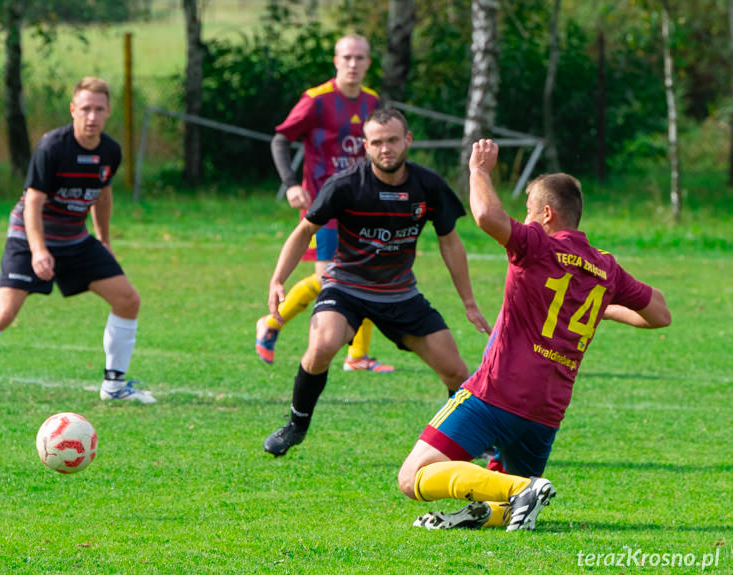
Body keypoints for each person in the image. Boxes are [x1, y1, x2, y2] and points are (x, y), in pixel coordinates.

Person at [398, 139, 671, 531]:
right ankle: (495, 504)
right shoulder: (605, 269)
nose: (524, 222)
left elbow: (487, 215)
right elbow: (660, 313)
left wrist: (478, 170)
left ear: (546, 214)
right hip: (545, 414)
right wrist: (600, 307)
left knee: (412, 478)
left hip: (496, 394)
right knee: (503, 497)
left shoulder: (538, 245)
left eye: (528, 213)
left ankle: (521, 489)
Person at [262, 108, 491, 457]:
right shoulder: (345, 185)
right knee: (323, 345)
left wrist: (469, 303)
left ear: (408, 140)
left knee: (456, 371)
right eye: (378, 142)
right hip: (346, 288)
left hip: (401, 294)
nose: (387, 149)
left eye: (393, 141)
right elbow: (304, 230)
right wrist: (278, 279)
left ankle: (463, 439)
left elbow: (450, 242)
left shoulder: (428, 185)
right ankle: (296, 425)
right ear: (365, 146)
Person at [0, 77, 154, 405]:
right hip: (28, 236)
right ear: (73, 110)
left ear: (109, 111)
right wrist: (38, 251)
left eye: (98, 109)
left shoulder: (110, 151)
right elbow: (34, 202)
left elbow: (102, 194)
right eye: (85, 109)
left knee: (128, 300)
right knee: (4, 312)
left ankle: (114, 385)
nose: (91, 116)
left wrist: (104, 240)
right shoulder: (53, 147)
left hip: (75, 239)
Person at [256, 34, 394, 373]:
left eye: (360, 58)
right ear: (336, 60)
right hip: (324, 205)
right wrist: (291, 185)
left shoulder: (372, 101)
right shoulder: (316, 100)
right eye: (347, 57)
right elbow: (280, 139)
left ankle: (357, 356)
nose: (353, 63)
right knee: (333, 277)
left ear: (367, 64)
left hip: (362, 204)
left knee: (369, 271)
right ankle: (272, 322)